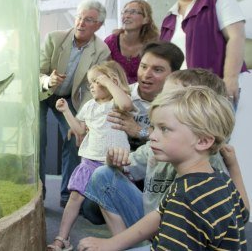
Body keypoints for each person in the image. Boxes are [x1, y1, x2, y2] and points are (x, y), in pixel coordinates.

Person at [77, 87, 249, 250]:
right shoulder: (219, 179)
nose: (151, 136)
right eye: (154, 127)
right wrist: (111, 244)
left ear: (203, 141)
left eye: (164, 129)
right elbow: (160, 214)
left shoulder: (185, 199)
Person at [80, 41, 184, 225]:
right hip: (119, 165)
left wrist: (138, 130)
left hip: (154, 170)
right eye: (143, 67)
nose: (146, 75)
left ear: (173, 75)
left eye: (157, 70)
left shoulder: (177, 104)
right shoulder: (121, 94)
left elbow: (177, 140)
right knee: (90, 211)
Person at [47, 61, 133, 251]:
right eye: (91, 82)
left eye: (95, 81)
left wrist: (109, 82)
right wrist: (66, 111)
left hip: (115, 164)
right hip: (90, 161)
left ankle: (121, 242)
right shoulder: (89, 106)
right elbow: (79, 130)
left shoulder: (117, 103)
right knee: (75, 197)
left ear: (111, 81)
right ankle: (62, 238)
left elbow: (126, 104)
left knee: (111, 204)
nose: (91, 86)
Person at [39, 0, 110, 206]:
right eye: (79, 17)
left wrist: (84, 120)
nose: (81, 23)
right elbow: (36, 71)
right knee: (38, 137)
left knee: (74, 138)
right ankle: (38, 191)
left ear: (98, 25)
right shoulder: (54, 38)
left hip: (69, 99)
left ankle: (67, 195)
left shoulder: (102, 51)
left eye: (88, 20)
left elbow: (92, 87)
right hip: (43, 95)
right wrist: (47, 81)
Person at [159, 0, 247, 106]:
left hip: (217, 90)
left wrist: (231, 78)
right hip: (180, 96)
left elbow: (236, 37)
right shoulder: (169, 19)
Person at [104, 0, 159, 84]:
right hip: (117, 90)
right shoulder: (110, 42)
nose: (127, 16)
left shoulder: (154, 45)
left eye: (133, 12)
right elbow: (105, 72)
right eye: (125, 12)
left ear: (146, 19)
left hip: (146, 91)